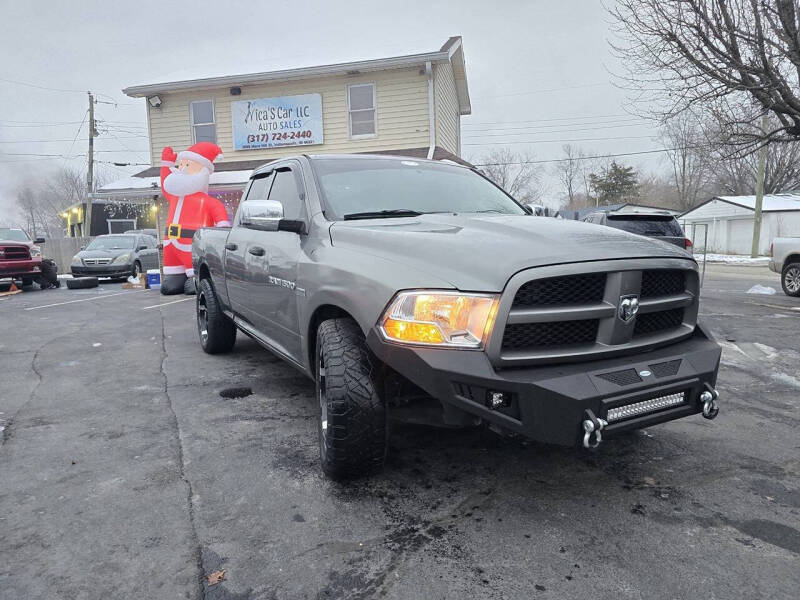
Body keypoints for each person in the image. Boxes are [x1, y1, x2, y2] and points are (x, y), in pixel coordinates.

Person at [159, 142, 230, 295]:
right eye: (181, 165)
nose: (183, 169)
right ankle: (176, 276)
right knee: (170, 285)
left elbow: (219, 214)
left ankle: (196, 278)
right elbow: (166, 185)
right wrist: (166, 164)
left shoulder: (206, 201)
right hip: (171, 245)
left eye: (189, 165)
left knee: (195, 271)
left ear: (203, 172)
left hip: (192, 245)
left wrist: (222, 231)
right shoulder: (174, 196)